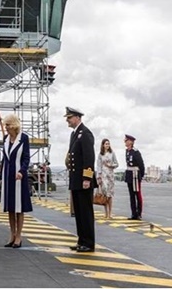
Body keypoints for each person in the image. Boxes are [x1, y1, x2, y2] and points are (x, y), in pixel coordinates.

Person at [64, 107, 96, 253]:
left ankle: (88, 243)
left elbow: (89, 158)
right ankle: (81, 240)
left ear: (77, 117)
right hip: (75, 179)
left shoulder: (85, 134)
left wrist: (87, 178)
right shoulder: (75, 134)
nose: (67, 120)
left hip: (83, 180)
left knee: (85, 212)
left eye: (69, 118)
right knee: (79, 212)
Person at [0, 114, 31, 248]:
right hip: (7, 176)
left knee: (19, 208)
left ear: (14, 125)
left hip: (18, 177)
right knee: (10, 207)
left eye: (8, 125)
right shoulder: (6, 139)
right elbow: (4, 159)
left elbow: (26, 158)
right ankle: (12, 234)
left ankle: (19, 235)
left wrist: (21, 171)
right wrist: (1, 176)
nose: (6, 128)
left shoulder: (23, 138)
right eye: (5, 125)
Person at [96, 138, 118, 219]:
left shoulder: (112, 153)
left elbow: (116, 163)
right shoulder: (100, 155)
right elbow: (98, 166)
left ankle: (110, 213)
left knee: (110, 195)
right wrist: (98, 176)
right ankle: (106, 212)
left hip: (110, 175)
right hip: (103, 176)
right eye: (106, 144)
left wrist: (110, 165)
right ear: (103, 145)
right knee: (105, 194)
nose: (107, 145)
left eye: (108, 144)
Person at [124, 134, 145, 220]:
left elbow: (141, 165)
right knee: (131, 195)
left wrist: (141, 175)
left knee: (137, 194)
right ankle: (133, 213)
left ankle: (139, 213)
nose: (125, 142)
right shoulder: (127, 151)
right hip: (129, 174)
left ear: (131, 142)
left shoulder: (136, 152)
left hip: (135, 175)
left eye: (126, 140)